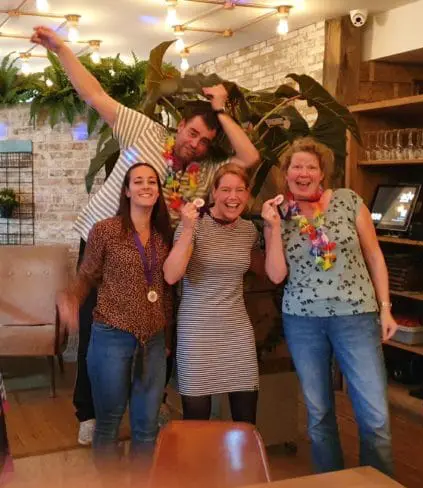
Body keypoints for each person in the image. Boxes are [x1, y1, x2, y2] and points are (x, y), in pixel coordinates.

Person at [31, 26, 260, 445]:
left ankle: (149, 408)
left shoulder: (206, 171)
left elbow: (249, 156)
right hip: (104, 238)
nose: (196, 143)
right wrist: (61, 48)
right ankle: (90, 413)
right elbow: (94, 94)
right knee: (97, 328)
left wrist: (221, 110)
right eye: (192, 133)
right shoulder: (144, 131)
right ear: (180, 126)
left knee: (156, 326)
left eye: (205, 141)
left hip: (155, 251)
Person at [261, 137, 397, 476]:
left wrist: (385, 307)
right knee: (319, 415)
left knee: (375, 416)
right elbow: (276, 275)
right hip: (303, 321)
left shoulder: (349, 201)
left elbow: (374, 256)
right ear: (286, 174)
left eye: (311, 167)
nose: (303, 173)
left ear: (322, 173)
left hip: (357, 316)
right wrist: (273, 228)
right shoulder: (278, 213)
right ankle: (331, 487)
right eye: (296, 166)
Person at [57, 162, 174, 460]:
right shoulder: (106, 230)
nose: (146, 186)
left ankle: (142, 484)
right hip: (112, 336)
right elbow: (87, 275)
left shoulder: (164, 234)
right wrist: (72, 299)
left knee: (147, 427)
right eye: (138, 181)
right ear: (127, 191)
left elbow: (166, 290)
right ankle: (109, 484)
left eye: (152, 181)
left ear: (158, 191)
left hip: (153, 340)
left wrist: (167, 337)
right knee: (108, 423)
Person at [163, 164, 261, 424]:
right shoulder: (193, 225)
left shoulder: (248, 231)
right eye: (226, 189)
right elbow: (171, 275)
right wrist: (187, 230)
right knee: (197, 418)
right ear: (213, 193)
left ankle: (243, 454)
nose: (233, 197)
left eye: (240, 190)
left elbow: (270, 271)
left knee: (245, 419)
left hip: (237, 331)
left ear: (247, 194)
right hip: (197, 332)